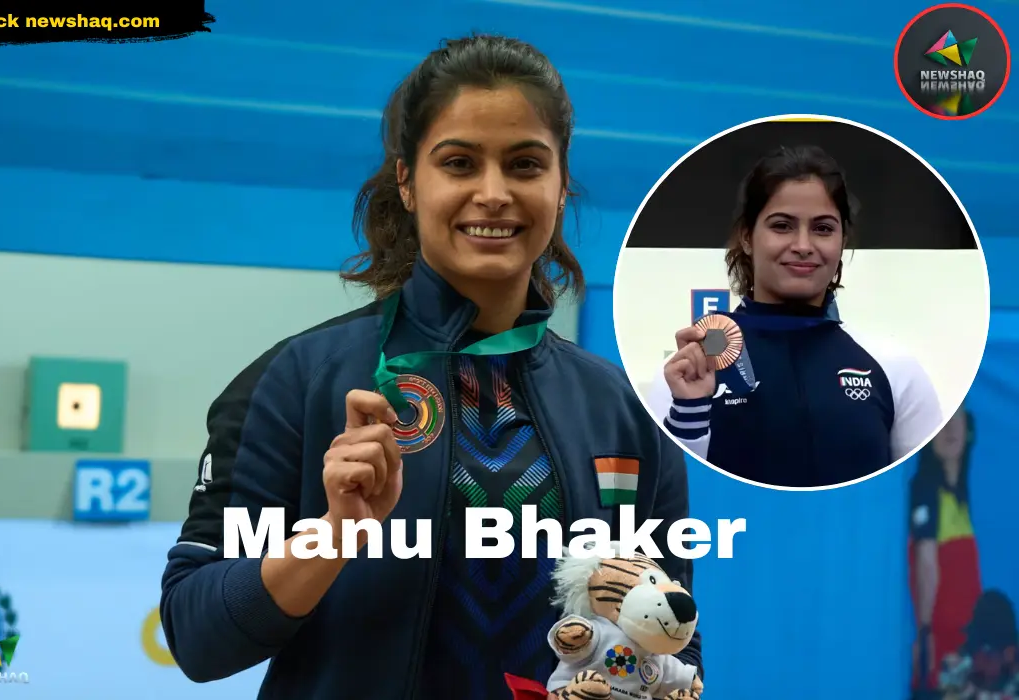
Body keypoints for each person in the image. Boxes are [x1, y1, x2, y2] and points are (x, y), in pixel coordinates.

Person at [158, 34, 703, 700]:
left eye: (526, 165)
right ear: (408, 183)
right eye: (460, 163)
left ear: (561, 187)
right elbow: (196, 636)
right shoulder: (296, 381)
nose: (494, 193)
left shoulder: (623, 411)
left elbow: (672, 634)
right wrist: (331, 538)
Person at [646, 144, 943, 488]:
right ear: (746, 236)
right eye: (782, 225)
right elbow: (668, 496)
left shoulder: (895, 369)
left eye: (823, 228)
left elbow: (922, 490)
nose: (803, 244)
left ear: (842, 240)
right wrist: (690, 411)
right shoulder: (691, 371)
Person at [908, 406, 982, 696]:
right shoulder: (926, 488)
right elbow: (926, 563)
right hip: (942, 652)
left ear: (969, 430)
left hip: (967, 649)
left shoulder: (960, 497)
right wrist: (926, 635)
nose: (951, 430)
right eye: (942, 423)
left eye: (958, 419)